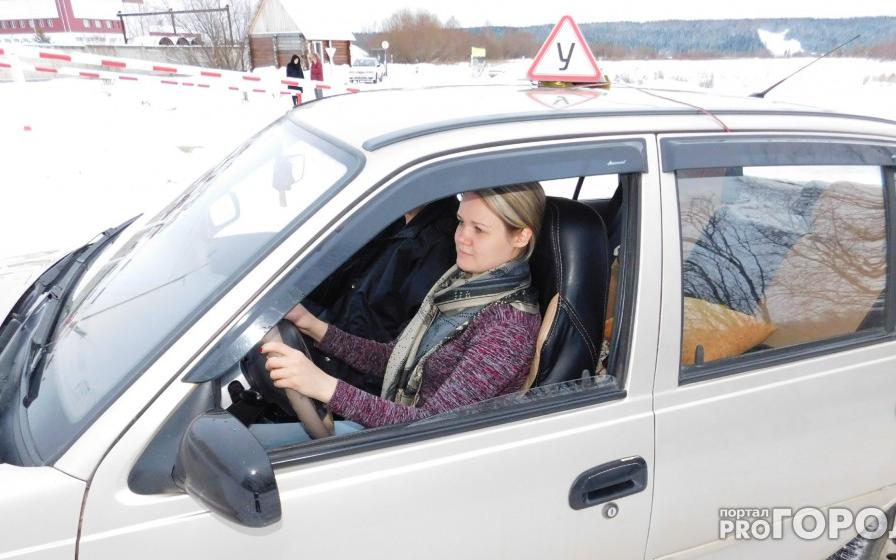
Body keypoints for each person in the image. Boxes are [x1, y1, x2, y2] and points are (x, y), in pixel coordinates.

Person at [252, 183, 546, 447]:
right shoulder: (459, 285)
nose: (461, 237)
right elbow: (392, 359)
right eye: (460, 222)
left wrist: (324, 387)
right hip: (394, 430)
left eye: (478, 230)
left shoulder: (508, 328)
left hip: (410, 450)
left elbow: (432, 427)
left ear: (521, 236)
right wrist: (313, 326)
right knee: (250, 439)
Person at [305, 196, 458, 396]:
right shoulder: (389, 218)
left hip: (355, 383)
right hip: (326, 350)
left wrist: (312, 326)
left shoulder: (441, 245)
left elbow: (397, 356)